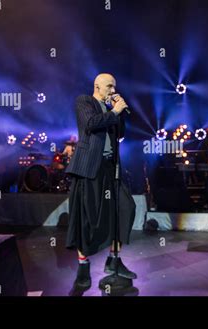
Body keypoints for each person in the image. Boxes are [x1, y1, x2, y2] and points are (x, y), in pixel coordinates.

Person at [65, 73, 136, 296]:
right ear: (97, 86)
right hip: (89, 168)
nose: (112, 89)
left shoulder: (111, 108)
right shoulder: (84, 101)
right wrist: (114, 112)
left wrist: (119, 112)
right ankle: (83, 268)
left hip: (110, 169)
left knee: (126, 208)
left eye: (114, 86)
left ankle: (114, 260)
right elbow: (90, 124)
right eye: (109, 86)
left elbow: (121, 134)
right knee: (88, 218)